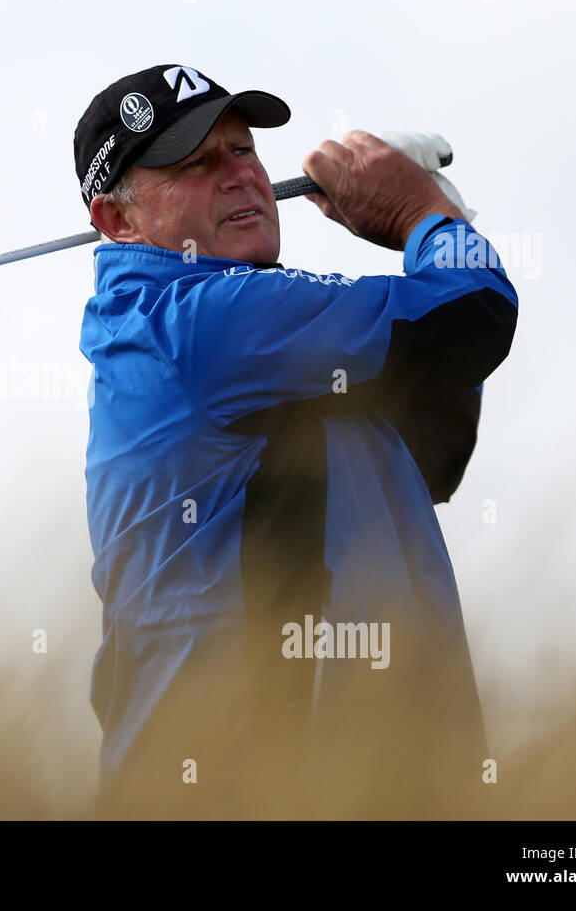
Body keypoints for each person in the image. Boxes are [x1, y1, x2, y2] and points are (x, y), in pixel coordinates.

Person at [72, 64, 519, 818]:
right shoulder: (199, 321)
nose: (240, 176)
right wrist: (421, 216)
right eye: (195, 165)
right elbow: (473, 310)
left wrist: (445, 222)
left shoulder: (275, 346)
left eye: (243, 149)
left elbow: (434, 447)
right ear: (117, 221)